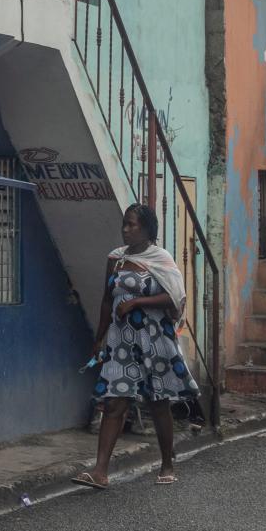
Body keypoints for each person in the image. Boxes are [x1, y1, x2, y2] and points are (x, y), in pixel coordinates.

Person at [72, 204, 198, 490]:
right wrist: (99, 337)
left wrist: (137, 302)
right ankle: (100, 471)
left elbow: (175, 297)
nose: (126, 229)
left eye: (132, 225)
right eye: (124, 224)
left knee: (158, 403)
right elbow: (107, 298)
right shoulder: (115, 258)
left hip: (154, 341)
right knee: (115, 402)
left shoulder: (161, 259)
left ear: (147, 230)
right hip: (121, 343)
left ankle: (167, 463)